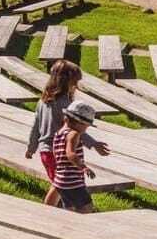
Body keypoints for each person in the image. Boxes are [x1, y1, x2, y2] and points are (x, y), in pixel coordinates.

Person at [25, 59, 109, 205]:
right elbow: (76, 130)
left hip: (46, 151)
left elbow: (35, 126)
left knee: (58, 185)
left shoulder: (43, 101)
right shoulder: (64, 104)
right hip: (59, 153)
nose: (76, 87)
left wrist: (31, 147)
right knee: (62, 186)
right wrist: (94, 144)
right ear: (65, 82)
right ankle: (60, 213)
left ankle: (54, 209)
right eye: (74, 83)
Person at [51, 100, 97, 213]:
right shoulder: (73, 134)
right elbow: (70, 153)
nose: (85, 130)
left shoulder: (59, 134)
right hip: (72, 181)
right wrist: (83, 167)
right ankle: (80, 227)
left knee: (69, 209)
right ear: (79, 123)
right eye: (86, 126)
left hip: (61, 180)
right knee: (87, 207)